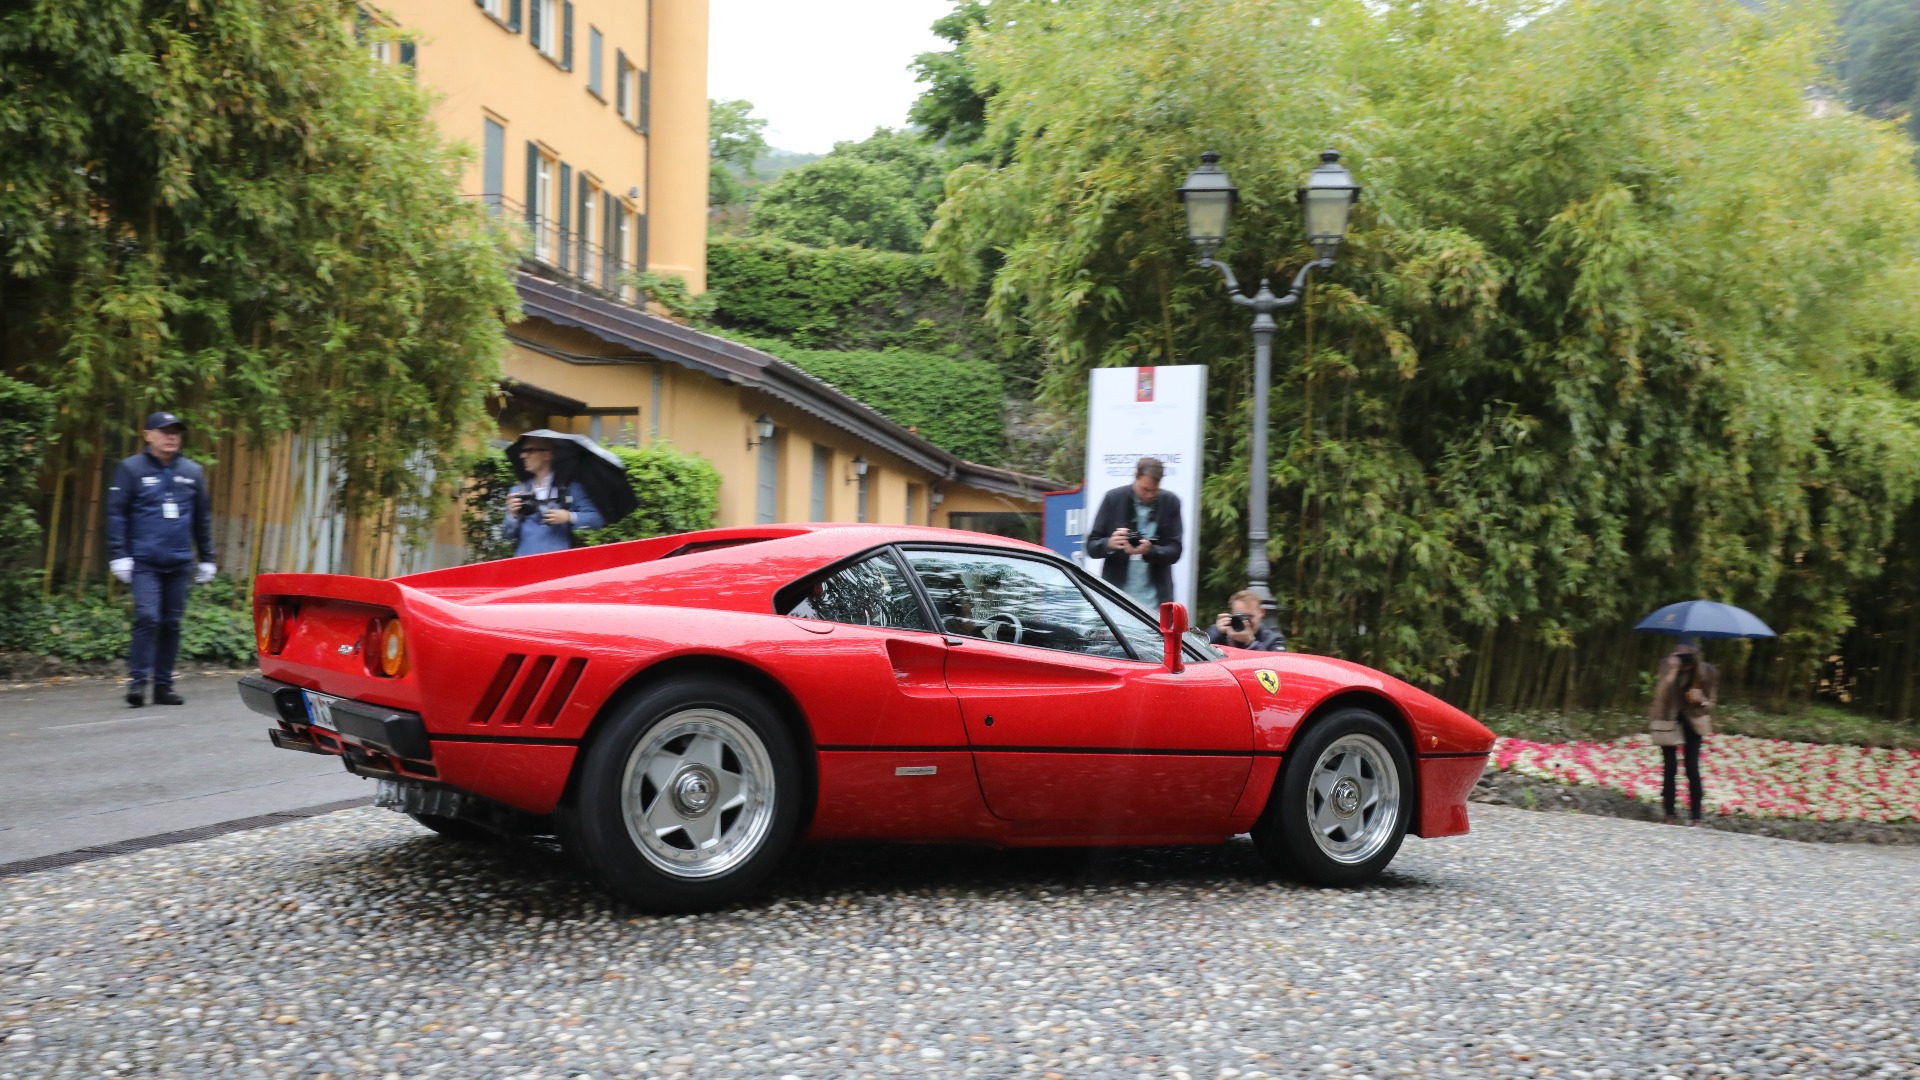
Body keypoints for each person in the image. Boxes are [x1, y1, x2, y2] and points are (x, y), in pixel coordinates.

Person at [106, 411, 216, 708]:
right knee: (147, 617)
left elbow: (202, 519)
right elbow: (117, 514)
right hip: (144, 561)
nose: (171, 436)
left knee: (171, 623)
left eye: (176, 432)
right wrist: (119, 555)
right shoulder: (131, 469)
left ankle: (164, 686)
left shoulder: (192, 471)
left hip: (180, 561)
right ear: (147, 435)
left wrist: (207, 558)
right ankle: (138, 683)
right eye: (164, 430)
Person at [1085, 456, 1184, 610]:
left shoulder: (1170, 502)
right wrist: (1109, 543)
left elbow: (1175, 550)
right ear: (1135, 477)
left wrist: (1151, 550)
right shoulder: (1113, 499)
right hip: (1115, 601)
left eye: (1154, 490)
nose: (1149, 495)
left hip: (1156, 605)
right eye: (1145, 489)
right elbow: (1091, 547)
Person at [1647, 642, 1717, 825]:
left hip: (1693, 722)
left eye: (1688, 655)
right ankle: (1669, 813)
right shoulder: (1667, 665)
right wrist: (1672, 672)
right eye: (1680, 653)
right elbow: (1659, 694)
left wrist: (1701, 699)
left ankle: (1696, 817)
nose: (1684, 658)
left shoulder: (1707, 671)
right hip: (1668, 719)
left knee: (1691, 767)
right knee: (1670, 767)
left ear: (1696, 653)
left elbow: (1711, 704)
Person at [502, 436, 605, 556]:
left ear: (548, 455)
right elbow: (507, 535)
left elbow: (597, 520)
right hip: (523, 565)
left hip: (558, 565)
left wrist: (569, 516)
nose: (522, 456)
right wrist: (512, 515)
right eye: (522, 452)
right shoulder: (517, 491)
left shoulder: (570, 488)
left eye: (530, 451)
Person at [1207, 589, 1286, 652]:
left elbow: (1272, 667)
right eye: (1239, 616)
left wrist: (1250, 643)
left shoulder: (1273, 640)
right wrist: (1217, 632)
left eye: (1249, 616)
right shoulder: (1221, 632)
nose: (1245, 622)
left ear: (1261, 612)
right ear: (1231, 614)